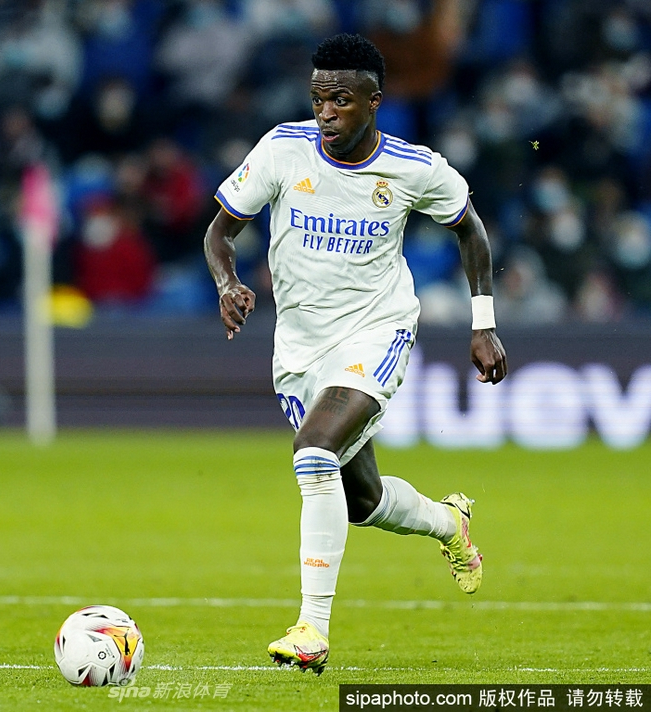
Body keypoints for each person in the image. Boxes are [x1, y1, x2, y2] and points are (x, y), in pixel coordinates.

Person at [203, 33, 507, 674]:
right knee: (360, 500)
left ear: (374, 101)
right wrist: (227, 283)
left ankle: (311, 629)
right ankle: (447, 523)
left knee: (313, 451)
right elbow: (220, 232)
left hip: (377, 330)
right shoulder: (282, 150)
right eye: (318, 99)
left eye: (340, 100)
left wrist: (483, 324)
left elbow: (471, 230)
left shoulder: (414, 167)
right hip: (300, 346)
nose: (325, 112)